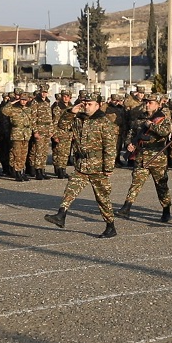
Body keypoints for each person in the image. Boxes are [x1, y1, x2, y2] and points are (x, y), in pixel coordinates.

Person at [44, 92, 119, 238]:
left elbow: (110, 147)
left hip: (97, 166)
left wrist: (109, 168)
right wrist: (71, 111)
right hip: (81, 164)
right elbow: (62, 125)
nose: (86, 106)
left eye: (90, 104)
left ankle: (110, 226)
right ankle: (61, 215)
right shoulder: (78, 118)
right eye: (85, 103)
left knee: (102, 198)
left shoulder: (104, 122)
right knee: (70, 189)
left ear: (98, 105)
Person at [115, 93, 172, 223]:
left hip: (157, 156)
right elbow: (131, 132)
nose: (147, 105)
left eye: (150, 102)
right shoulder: (140, 118)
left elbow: (165, 132)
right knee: (136, 183)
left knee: (161, 185)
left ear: (158, 104)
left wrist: (151, 125)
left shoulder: (163, 118)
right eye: (146, 102)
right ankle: (126, 208)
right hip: (141, 155)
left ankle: (166, 210)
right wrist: (130, 144)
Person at [2, 91, 35, 181]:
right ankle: (17, 172)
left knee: (24, 154)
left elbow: (32, 121)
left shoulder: (28, 109)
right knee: (17, 154)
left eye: (25, 100)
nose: (23, 102)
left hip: (26, 134)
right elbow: (4, 111)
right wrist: (12, 102)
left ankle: (22, 171)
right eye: (22, 100)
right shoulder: (13, 109)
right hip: (17, 134)